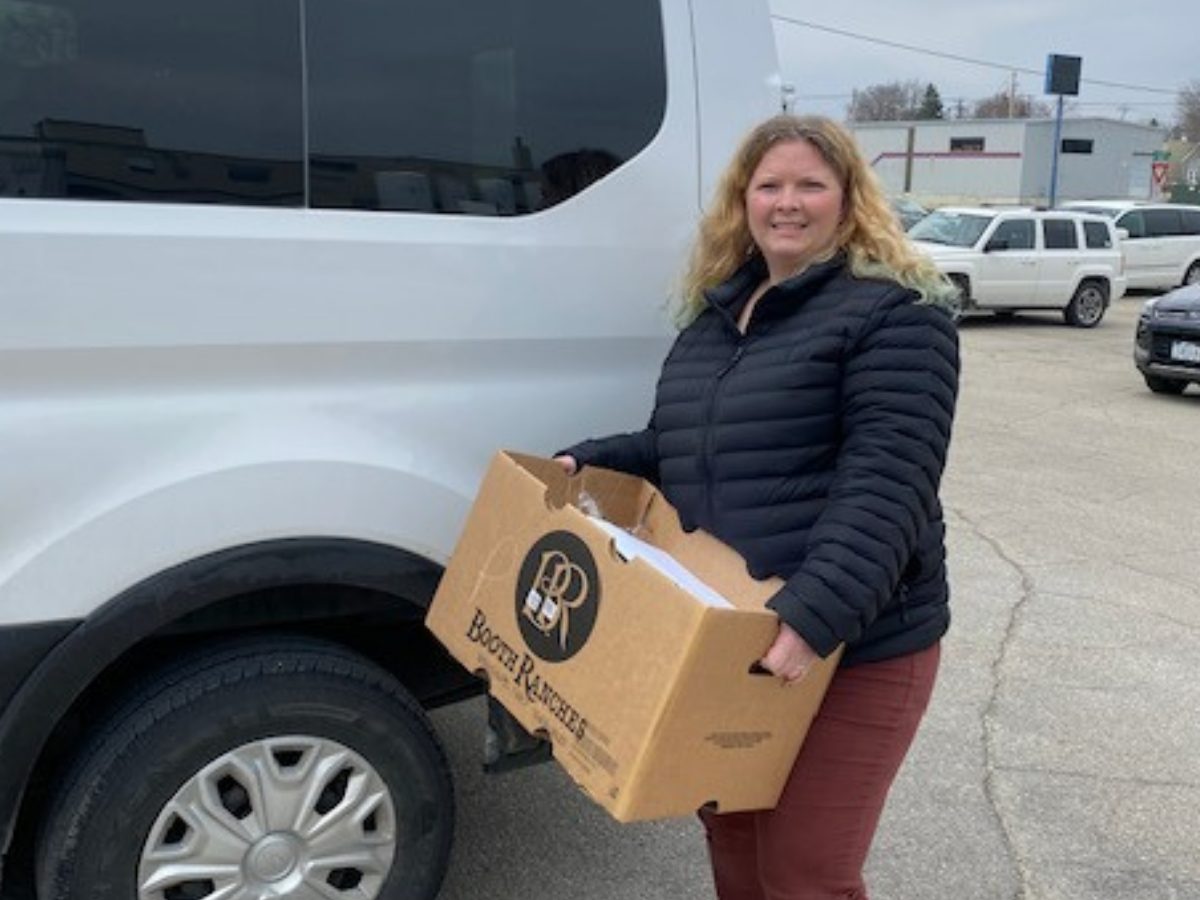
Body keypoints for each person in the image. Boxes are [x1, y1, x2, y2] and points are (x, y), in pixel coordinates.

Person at [554, 114, 960, 899]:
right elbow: (677, 443)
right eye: (768, 185)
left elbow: (889, 482)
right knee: (735, 847)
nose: (787, 203)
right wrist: (590, 460)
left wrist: (811, 621)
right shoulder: (715, 320)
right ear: (742, 202)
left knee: (805, 872)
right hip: (736, 634)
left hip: (856, 646)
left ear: (849, 201)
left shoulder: (896, 315)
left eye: (810, 184)